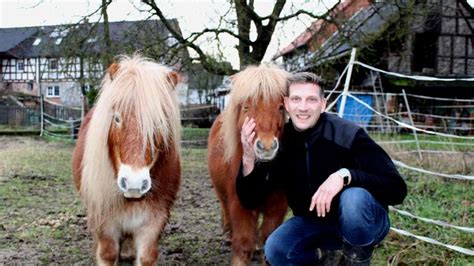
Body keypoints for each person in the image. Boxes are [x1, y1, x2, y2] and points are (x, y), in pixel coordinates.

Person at [236, 72, 407, 265]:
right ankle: (317, 258)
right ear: (286, 103)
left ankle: (355, 260)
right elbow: (250, 200)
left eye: (311, 100)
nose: (303, 107)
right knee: (276, 248)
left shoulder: (348, 134)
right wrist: (249, 158)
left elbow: (397, 189)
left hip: (365, 223)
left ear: (323, 104)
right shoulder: (282, 143)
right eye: (296, 99)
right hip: (316, 224)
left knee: (353, 198)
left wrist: (345, 176)